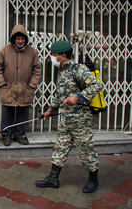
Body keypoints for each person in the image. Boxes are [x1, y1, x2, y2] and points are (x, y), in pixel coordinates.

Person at [35, 41, 102, 193]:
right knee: (60, 147)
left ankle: (93, 179)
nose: (51, 58)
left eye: (53, 55)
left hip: (81, 120)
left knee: (86, 149)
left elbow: (96, 86)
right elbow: (59, 94)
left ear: (63, 56)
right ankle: (53, 179)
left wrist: (78, 97)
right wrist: (50, 109)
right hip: (66, 119)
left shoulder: (78, 69)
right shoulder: (62, 71)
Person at [0, 24, 41, 146]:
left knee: (23, 113)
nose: (20, 41)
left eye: (22, 38)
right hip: (8, 88)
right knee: (7, 114)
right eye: (18, 39)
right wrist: (2, 84)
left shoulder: (32, 52)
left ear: (25, 39)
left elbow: (37, 70)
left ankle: (20, 135)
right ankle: (6, 136)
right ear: (13, 38)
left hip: (25, 88)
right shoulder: (5, 50)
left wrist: (31, 86)